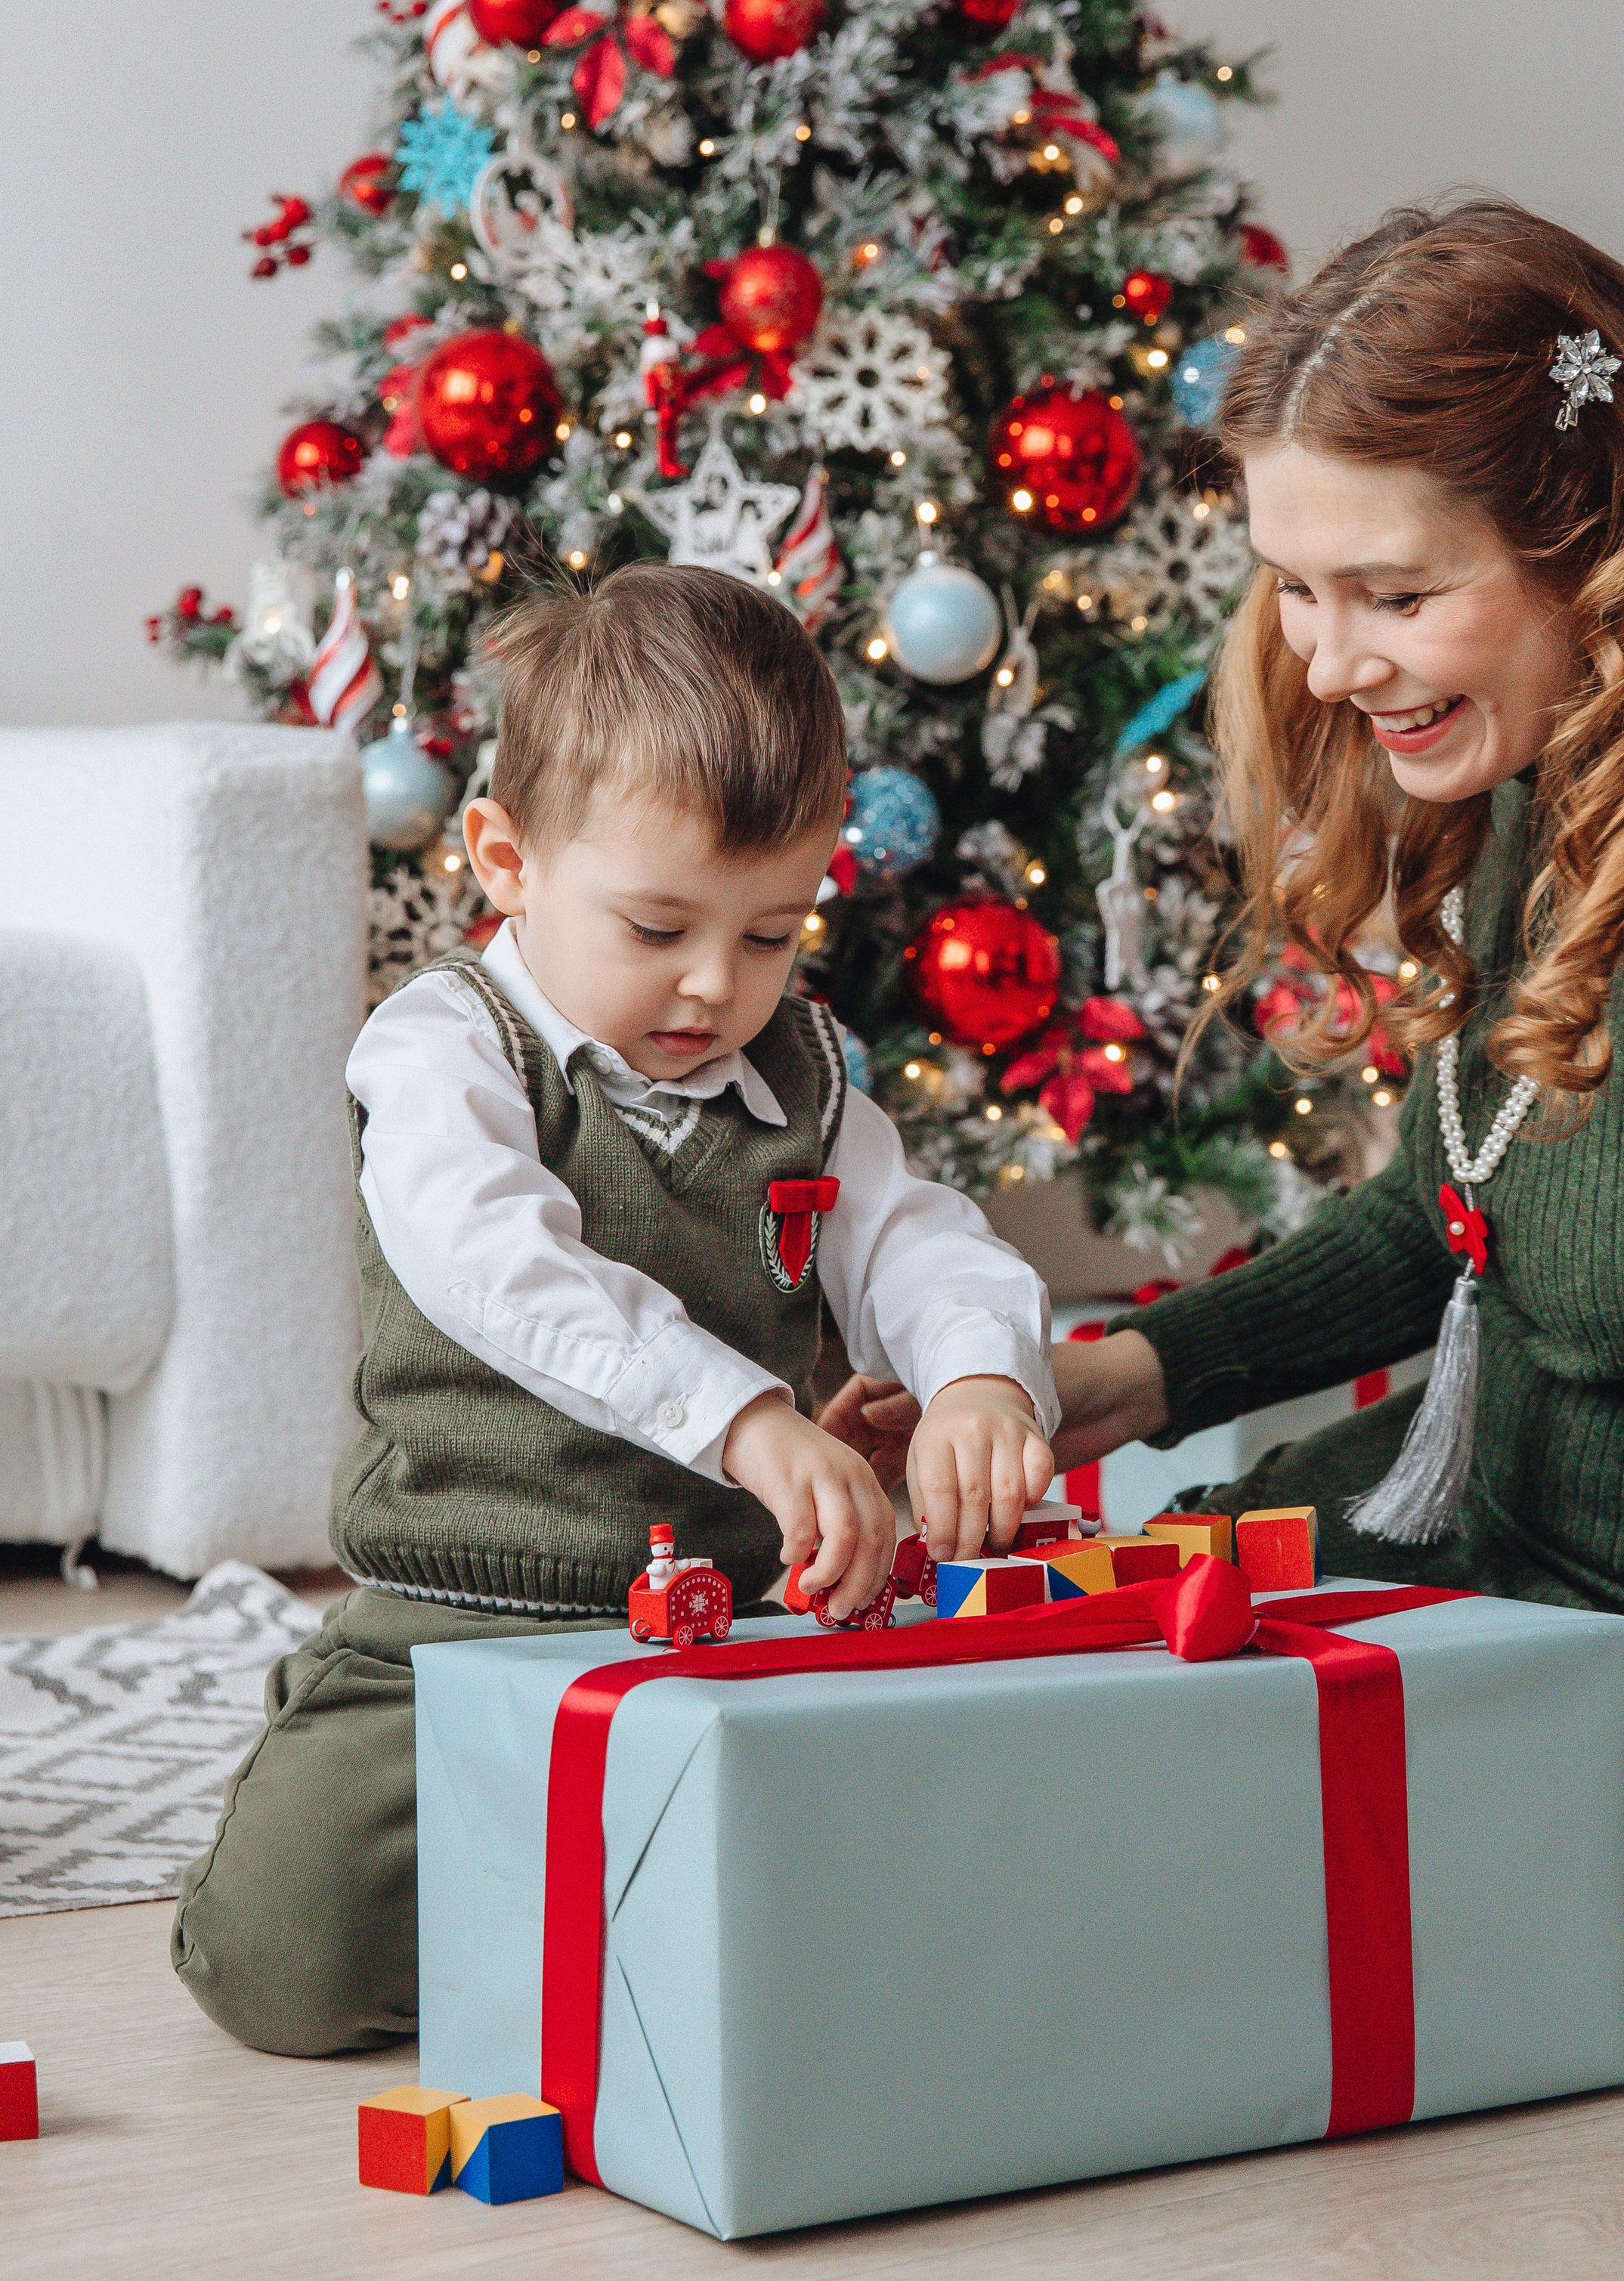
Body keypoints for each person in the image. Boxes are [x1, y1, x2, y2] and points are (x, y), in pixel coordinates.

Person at [840, 197, 1624, 1911]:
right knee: (1026, 1659)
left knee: (1112, 1802)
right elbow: (1461, 1204)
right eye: (1293, 589)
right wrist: (1117, 1385)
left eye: (1394, 594)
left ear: (1593, 537)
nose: (1332, 663)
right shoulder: (1557, 737)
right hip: (1508, 1543)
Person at [175, 565, 1056, 2054]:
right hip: (462, 1614)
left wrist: (979, 1377)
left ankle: (609, 1926)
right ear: (505, 860)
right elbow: (496, 1263)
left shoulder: (805, 1082)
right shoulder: (441, 1046)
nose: (717, 985)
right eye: (656, 929)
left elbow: (919, 1245)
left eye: (772, 934)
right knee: (279, 1973)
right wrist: (748, 1419)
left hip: (738, 1628)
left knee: (898, 1923)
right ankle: (402, 1812)